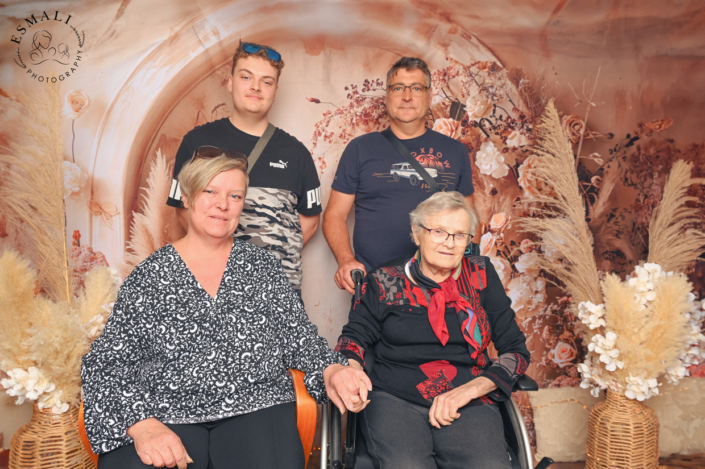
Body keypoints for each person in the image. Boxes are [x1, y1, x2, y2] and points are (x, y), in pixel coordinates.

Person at [83, 151, 369, 469]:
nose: (223, 204)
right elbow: (106, 365)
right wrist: (143, 426)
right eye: (211, 192)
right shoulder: (150, 275)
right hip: (167, 409)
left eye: (235, 196)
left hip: (257, 405)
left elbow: (300, 340)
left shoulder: (262, 267)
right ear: (188, 198)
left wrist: (333, 371)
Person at [327, 191, 530, 469]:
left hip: (466, 395)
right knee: (406, 464)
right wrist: (349, 370)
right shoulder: (384, 280)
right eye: (439, 232)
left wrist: (469, 391)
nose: (449, 243)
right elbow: (354, 339)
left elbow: (515, 352)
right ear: (416, 232)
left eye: (460, 235)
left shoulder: (481, 275)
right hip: (394, 397)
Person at [166, 41, 322, 293]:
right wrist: (220, 255)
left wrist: (271, 256)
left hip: (278, 293)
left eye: (266, 81)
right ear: (229, 82)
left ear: (275, 90)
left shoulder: (297, 153)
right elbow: (183, 211)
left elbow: (310, 221)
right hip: (214, 287)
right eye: (246, 76)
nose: (255, 87)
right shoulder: (195, 143)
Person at [323, 57, 475, 295]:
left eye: (416, 88)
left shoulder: (456, 151)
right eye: (398, 88)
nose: (407, 96)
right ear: (387, 96)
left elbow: (469, 220)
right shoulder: (360, 148)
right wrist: (345, 260)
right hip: (376, 288)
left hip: (441, 290)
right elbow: (334, 215)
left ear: (429, 95)